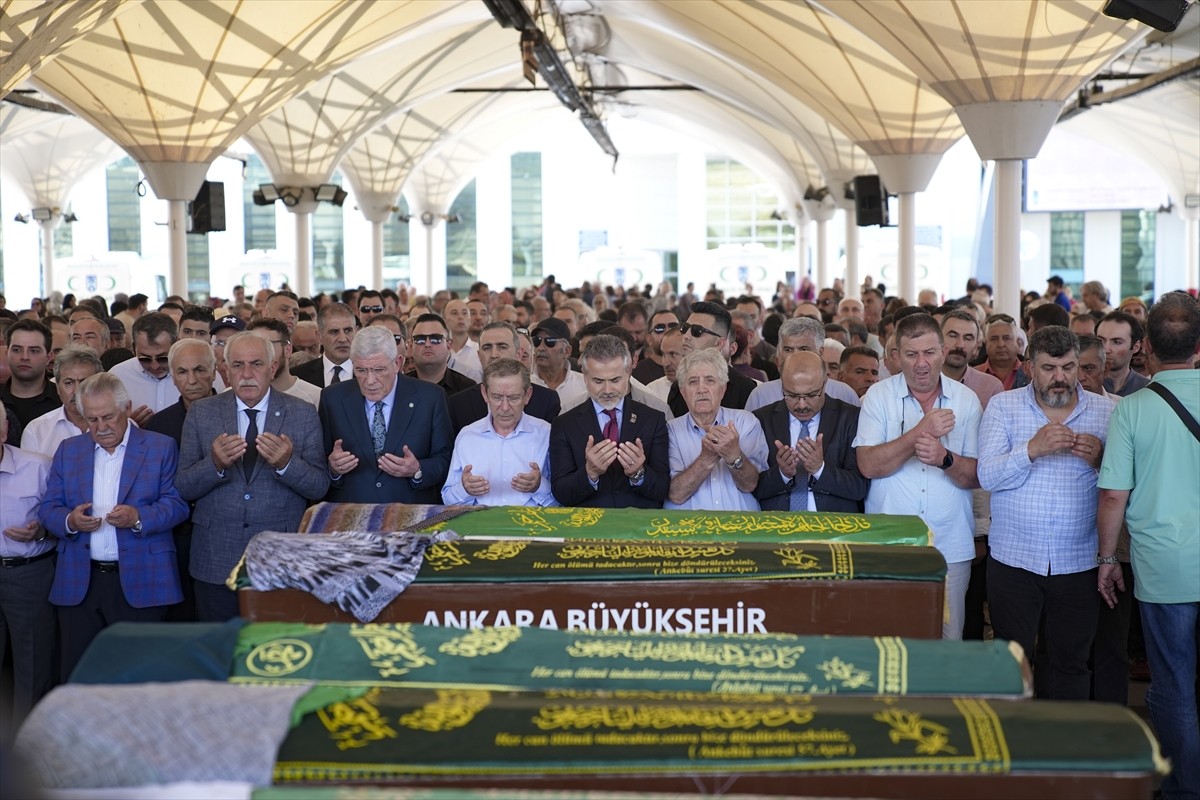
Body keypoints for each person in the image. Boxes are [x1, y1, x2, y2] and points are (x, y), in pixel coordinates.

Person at [1097, 292, 1200, 798]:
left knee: (1175, 686)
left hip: (1164, 567)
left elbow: (1114, 495)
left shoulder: (1133, 410)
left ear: (1148, 349)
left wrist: (1105, 559)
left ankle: (1184, 788)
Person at [979, 326, 1114, 699]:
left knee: (1071, 664)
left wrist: (1102, 460)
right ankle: (1009, 745)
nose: (1060, 377)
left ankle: (1062, 749)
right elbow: (986, 476)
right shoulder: (1003, 407)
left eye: (1069, 367)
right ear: (1028, 367)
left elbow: (1124, 485)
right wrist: (1031, 450)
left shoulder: (1106, 411)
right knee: (1010, 662)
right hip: (1014, 560)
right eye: (1049, 367)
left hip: (1078, 562)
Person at [38, 373, 188, 678]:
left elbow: (177, 505)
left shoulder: (160, 447)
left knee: (141, 676)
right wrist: (70, 521)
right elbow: (48, 508)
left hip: (143, 582)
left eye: (108, 417)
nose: (101, 427)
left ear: (127, 408)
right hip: (82, 582)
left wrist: (138, 517)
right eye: (91, 420)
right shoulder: (69, 450)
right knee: (80, 676)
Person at [176, 333, 329, 621]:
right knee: (220, 656)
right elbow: (184, 486)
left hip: (280, 559)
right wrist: (215, 464)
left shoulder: (303, 413)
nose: (247, 375)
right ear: (225, 370)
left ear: (273, 368)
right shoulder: (202, 413)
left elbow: (319, 486)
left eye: (256, 364)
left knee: (276, 654)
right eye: (237, 365)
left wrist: (286, 464)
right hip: (215, 559)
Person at [854, 313, 982, 639]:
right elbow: (867, 465)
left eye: (929, 353)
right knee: (889, 638)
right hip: (890, 546)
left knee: (948, 640)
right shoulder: (876, 398)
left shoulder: (966, 401)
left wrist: (945, 459)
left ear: (942, 351)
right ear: (896, 356)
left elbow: (977, 477)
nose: (921, 363)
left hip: (950, 545)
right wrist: (918, 434)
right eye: (911, 354)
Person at [321, 326, 453, 504]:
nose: (370, 380)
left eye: (378, 370)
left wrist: (418, 469)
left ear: (397, 363)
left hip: (411, 513)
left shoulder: (431, 397)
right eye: (361, 370)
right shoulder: (333, 398)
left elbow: (445, 458)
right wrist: (333, 469)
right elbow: (318, 461)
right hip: (351, 514)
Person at [549, 334, 670, 508]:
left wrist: (638, 473)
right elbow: (561, 492)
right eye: (598, 381)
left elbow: (663, 489)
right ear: (584, 377)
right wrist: (590, 473)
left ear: (628, 373)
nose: (607, 390)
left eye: (615, 380)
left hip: (640, 528)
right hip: (586, 527)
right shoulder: (564, 424)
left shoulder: (653, 419)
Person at [753, 351, 867, 512]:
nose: (801, 405)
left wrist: (820, 469)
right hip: (777, 527)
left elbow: (859, 487)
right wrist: (782, 474)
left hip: (834, 527)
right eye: (791, 395)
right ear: (781, 384)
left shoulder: (850, 418)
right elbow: (752, 487)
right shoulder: (762, 419)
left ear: (825, 382)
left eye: (811, 395)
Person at [0, 401, 55, 727]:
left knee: (32, 666)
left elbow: (60, 518)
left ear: (5, 431)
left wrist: (42, 529)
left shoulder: (39, 467)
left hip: (29, 574)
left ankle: (27, 753)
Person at [665, 348, 768, 511]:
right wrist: (706, 458)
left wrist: (734, 455)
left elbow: (751, 484)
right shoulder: (669, 430)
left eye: (709, 380)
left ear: (723, 389)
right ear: (683, 392)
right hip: (689, 531)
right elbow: (676, 494)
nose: (701, 389)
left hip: (740, 527)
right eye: (693, 382)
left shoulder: (745, 422)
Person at [442, 358, 555, 507]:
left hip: (531, 526)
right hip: (480, 526)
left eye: (513, 398)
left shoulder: (546, 434)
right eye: (496, 397)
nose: (505, 407)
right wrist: (464, 489)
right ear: (484, 393)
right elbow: (447, 499)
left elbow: (562, 502)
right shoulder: (467, 436)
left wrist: (539, 486)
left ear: (527, 395)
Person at [447, 322, 559, 435]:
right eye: (487, 348)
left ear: (518, 354)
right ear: (479, 356)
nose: (494, 354)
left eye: (502, 347)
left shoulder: (546, 401)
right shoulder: (458, 404)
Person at [746, 317, 861, 411]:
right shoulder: (760, 395)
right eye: (788, 349)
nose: (795, 356)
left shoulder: (844, 394)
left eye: (804, 349)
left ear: (820, 352)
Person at [666, 301, 757, 417]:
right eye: (685, 328)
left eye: (696, 331)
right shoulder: (678, 386)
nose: (686, 336)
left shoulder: (745, 389)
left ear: (719, 343)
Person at [21, 345, 103, 459]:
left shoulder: (118, 424)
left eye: (85, 382)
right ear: (58, 388)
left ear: (99, 385)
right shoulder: (36, 431)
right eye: (69, 383)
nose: (77, 391)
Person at [108, 312, 180, 424]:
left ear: (177, 345)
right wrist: (128, 426)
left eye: (163, 358)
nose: (154, 366)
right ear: (133, 348)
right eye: (145, 359)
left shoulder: (197, 374)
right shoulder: (116, 377)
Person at [2, 319, 61, 433]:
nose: (24, 357)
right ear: (7, 353)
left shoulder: (62, 400)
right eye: (17, 350)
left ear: (49, 357)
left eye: (34, 351)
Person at [248, 318, 322, 408]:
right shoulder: (234, 395)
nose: (260, 353)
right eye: (254, 346)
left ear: (287, 350)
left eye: (268, 345)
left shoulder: (315, 397)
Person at [941, 309, 1003, 411]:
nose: (960, 345)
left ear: (976, 346)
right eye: (953, 336)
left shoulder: (991, 387)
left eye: (968, 338)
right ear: (938, 339)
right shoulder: (919, 381)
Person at [407, 313, 477, 395]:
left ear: (449, 346)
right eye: (420, 339)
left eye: (436, 339)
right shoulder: (399, 387)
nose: (427, 344)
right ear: (411, 346)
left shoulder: (467, 389)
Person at [292, 303, 357, 388]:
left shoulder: (371, 373)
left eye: (348, 330)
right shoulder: (298, 376)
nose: (343, 339)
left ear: (356, 331)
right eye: (334, 332)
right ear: (319, 336)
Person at [530, 317, 587, 409]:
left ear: (567, 351)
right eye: (537, 341)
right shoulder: (525, 383)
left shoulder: (584, 384)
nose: (540, 348)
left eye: (550, 342)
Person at [1097, 310, 1150, 397]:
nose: (1106, 349)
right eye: (1101, 341)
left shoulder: (1147, 389)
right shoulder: (1084, 386)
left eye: (1117, 342)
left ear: (1136, 347)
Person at [975, 315, 1029, 391]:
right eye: (994, 339)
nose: (1001, 344)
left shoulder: (1030, 373)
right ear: (986, 343)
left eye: (1006, 338)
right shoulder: (973, 375)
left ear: (1017, 342)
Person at [631, 309, 679, 385]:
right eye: (659, 328)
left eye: (673, 327)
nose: (667, 331)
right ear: (649, 338)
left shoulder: (691, 368)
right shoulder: (636, 373)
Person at [443, 299, 483, 382]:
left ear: (469, 319)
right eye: (454, 313)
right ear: (444, 319)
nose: (460, 317)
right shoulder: (440, 350)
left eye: (464, 313)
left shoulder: (480, 350)